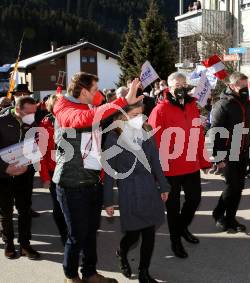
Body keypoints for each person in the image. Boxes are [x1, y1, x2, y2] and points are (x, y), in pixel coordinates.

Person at [53, 72, 142, 283]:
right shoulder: (64, 108)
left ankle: (90, 273)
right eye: (94, 90)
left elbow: (102, 114)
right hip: (71, 184)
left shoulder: (89, 106)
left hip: (92, 181)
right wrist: (122, 100)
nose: (98, 94)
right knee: (76, 235)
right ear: (83, 92)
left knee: (91, 231)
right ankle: (71, 276)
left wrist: (128, 101)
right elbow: (82, 119)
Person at [103, 101, 170, 283]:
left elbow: (155, 161)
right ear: (122, 117)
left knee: (149, 233)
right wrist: (108, 201)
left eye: (141, 114)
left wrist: (163, 186)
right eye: (134, 115)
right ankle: (121, 253)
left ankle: (144, 272)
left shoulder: (147, 131)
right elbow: (109, 172)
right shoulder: (113, 137)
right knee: (133, 234)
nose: (139, 119)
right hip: (129, 190)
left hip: (148, 188)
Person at [148, 72, 211, 258]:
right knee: (173, 208)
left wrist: (204, 160)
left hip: (190, 164)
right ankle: (175, 241)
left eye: (184, 83)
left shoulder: (193, 106)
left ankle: (182, 229)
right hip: (170, 169)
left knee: (194, 200)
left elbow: (198, 135)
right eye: (177, 84)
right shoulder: (159, 110)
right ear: (169, 87)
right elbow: (153, 142)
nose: (181, 87)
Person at [0, 96, 40, 260]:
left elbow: (34, 146)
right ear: (18, 109)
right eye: (29, 112)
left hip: (24, 174)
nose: (32, 115)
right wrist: (6, 168)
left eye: (34, 112)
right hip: (1, 175)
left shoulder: (32, 123)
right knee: (5, 212)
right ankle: (8, 245)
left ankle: (25, 245)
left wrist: (28, 163)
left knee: (25, 211)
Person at [211, 72, 250, 233]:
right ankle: (219, 214)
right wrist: (219, 157)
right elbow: (216, 131)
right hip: (228, 152)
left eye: (246, 86)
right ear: (232, 85)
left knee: (239, 187)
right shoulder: (223, 104)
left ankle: (230, 218)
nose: (245, 89)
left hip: (243, 151)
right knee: (232, 186)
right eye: (241, 86)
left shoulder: (248, 104)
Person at [39, 94, 68, 245]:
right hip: (54, 171)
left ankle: (74, 234)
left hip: (72, 170)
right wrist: (44, 177)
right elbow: (41, 154)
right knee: (59, 206)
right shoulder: (45, 124)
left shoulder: (72, 120)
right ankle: (65, 236)